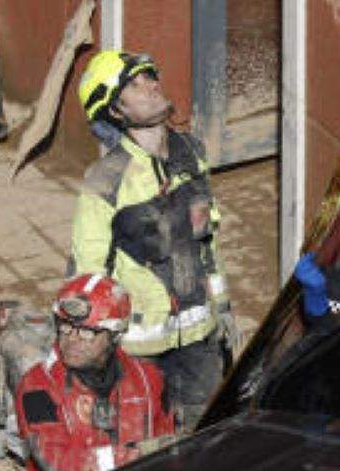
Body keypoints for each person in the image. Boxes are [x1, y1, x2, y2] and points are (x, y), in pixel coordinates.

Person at [70, 50, 232, 430]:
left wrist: (222, 305)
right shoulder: (105, 181)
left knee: (205, 438)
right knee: (143, 447)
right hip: (138, 352)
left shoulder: (190, 153)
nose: (151, 86)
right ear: (115, 111)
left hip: (200, 341)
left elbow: (208, 244)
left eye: (149, 77)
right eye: (134, 85)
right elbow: (88, 277)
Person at [15, 274, 177, 471]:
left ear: (115, 335)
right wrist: (135, 454)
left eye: (87, 332)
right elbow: (59, 470)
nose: (71, 339)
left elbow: (169, 449)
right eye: (65, 328)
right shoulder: (38, 387)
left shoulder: (149, 380)